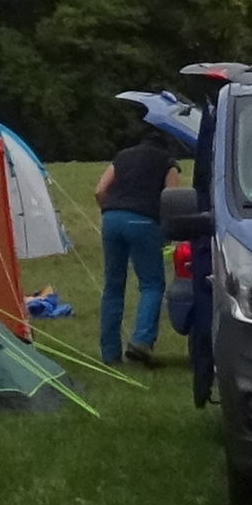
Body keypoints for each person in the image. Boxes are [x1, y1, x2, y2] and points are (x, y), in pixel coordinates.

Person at [93, 106, 182, 367]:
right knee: (152, 284)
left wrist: (112, 212)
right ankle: (141, 341)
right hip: (144, 222)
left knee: (112, 286)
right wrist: (167, 234)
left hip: (111, 220)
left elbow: (99, 191)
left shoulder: (122, 156)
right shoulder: (168, 163)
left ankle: (109, 354)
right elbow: (171, 201)